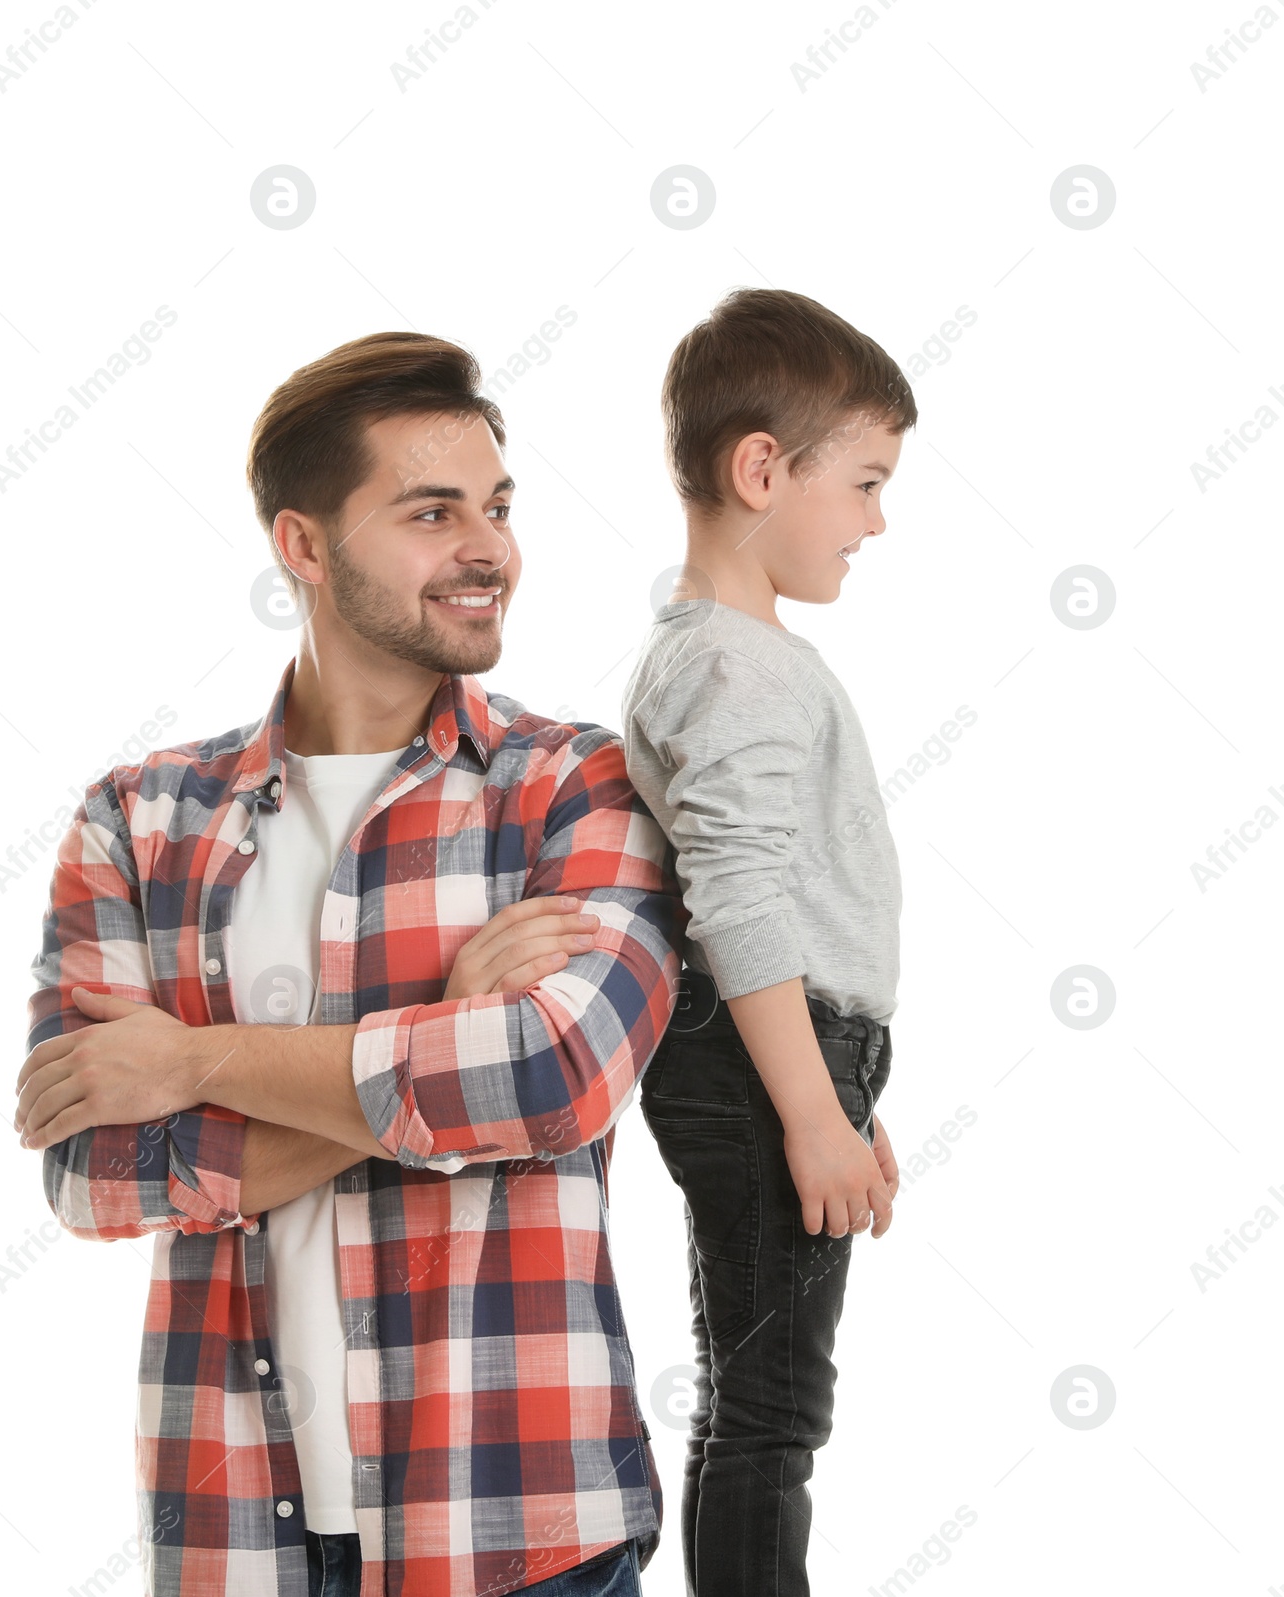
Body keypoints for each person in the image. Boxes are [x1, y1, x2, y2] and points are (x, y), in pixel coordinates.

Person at [14, 330, 684, 1597]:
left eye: (494, 507)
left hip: (519, 1527)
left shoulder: (569, 785)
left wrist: (194, 1064)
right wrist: (441, 1027)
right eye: (431, 513)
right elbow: (92, 1173)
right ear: (304, 547)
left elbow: (550, 1080)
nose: (487, 548)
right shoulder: (140, 821)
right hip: (234, 1536)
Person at [620, 287, 915, 1596]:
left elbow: (771, 899)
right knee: (773, 1412)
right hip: (760, 1068)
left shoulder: (732, 654)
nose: (875, 521)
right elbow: (736, 897)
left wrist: (841, 1096)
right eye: (861, 483)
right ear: (760, 469)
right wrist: (809, 1105)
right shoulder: (736, 664)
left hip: (779, 1057)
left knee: (755, 1392)